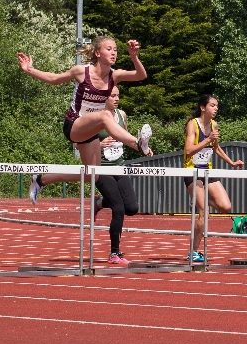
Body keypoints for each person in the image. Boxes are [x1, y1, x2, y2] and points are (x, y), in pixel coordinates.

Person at [18, 37, 153, 204]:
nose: (113, 53)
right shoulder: (82, 71)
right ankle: (137, 143)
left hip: (91, 130)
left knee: (92, 175)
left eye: (116, 50)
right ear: (97, 53)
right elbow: (54, 79)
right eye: (109, 49)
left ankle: (41, 180)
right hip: (74, 125)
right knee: (105, 115)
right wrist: (29, 69)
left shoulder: (114, 75)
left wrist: (134, 56)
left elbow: (141, 75)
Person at [183, 94, 244, 263]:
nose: (216, 108)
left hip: (206, 170)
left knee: (226, 206)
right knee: (204, 214)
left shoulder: (214, 125)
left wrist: (231, 162)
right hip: (192, 171)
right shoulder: (192, 124)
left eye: (217, 105)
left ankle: (200, 199)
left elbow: (216, 148)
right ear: (203, 107)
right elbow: (189, 150)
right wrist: (207, 140)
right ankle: (193, 252)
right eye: (212, 105)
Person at [93, 86, 140, 265]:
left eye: (118, 95)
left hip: (119, 167)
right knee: (118, 209)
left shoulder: (122, 115)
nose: (116, 99)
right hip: (102, 169)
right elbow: (77, 145)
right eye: (112, 96)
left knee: (132, 208)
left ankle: (99, 203)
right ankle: (114, 253)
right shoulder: (95, 116)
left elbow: (126, 137)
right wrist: (99, 143)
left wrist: (141, 146)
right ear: (103, 98)